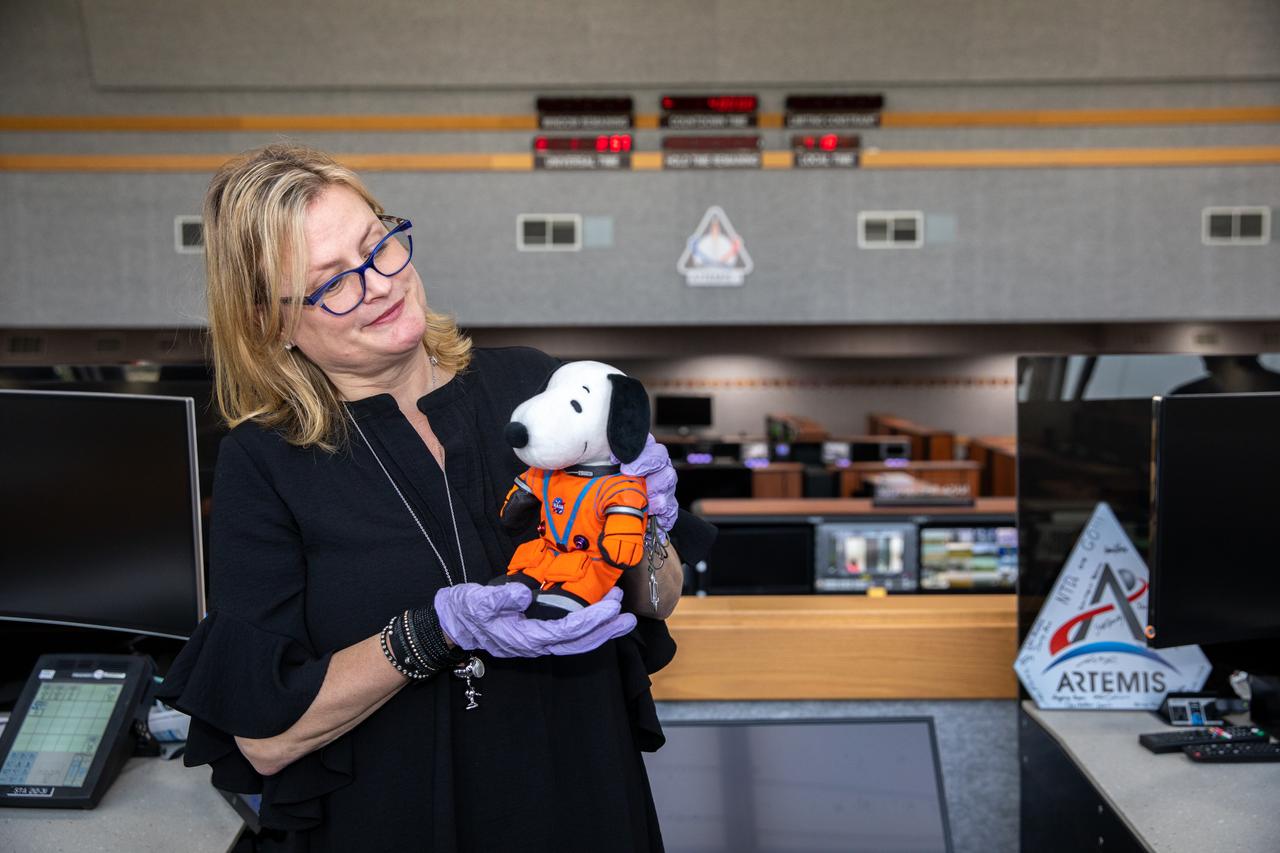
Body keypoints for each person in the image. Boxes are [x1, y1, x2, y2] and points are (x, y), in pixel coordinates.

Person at [157, 142, 715, 852]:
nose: (382, 283)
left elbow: (657, 597)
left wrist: (643, 510)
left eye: (378, 245)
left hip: (581, 800)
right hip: (395, 822)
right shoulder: (266, 464)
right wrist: (431, 632)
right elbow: (266, 738)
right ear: (271, 321)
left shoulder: (535, 386)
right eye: (333, 282)